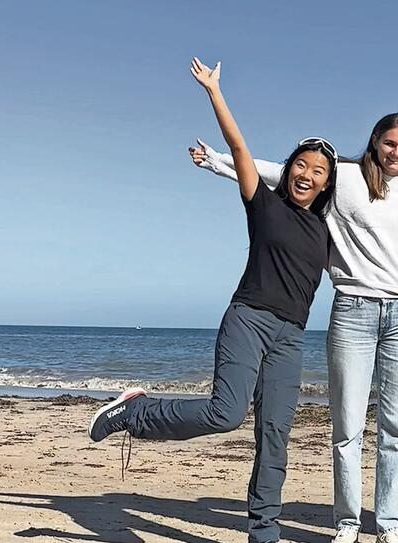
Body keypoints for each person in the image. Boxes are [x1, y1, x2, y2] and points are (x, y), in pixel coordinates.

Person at [88, 58, 337, 543]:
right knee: (226, 413)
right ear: (288, 171)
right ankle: (135, 412)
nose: (307, 174)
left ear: (327, 183)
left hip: (291, 336)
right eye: (301, 165)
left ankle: (263, 532)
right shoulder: (263, 203)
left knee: (274, 438)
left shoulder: (327, 231)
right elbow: (239, 146)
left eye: (319, 171)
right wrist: (214, 92)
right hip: (249, 319)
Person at [190, 114, 398, 543]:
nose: (396, 152)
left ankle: (390, 526)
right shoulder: (346, 178)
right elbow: (281, 174)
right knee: (347, 426)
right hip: (353, 309)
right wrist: (217, 162)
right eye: (389, 143)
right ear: (375, 142)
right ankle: (348, 523)